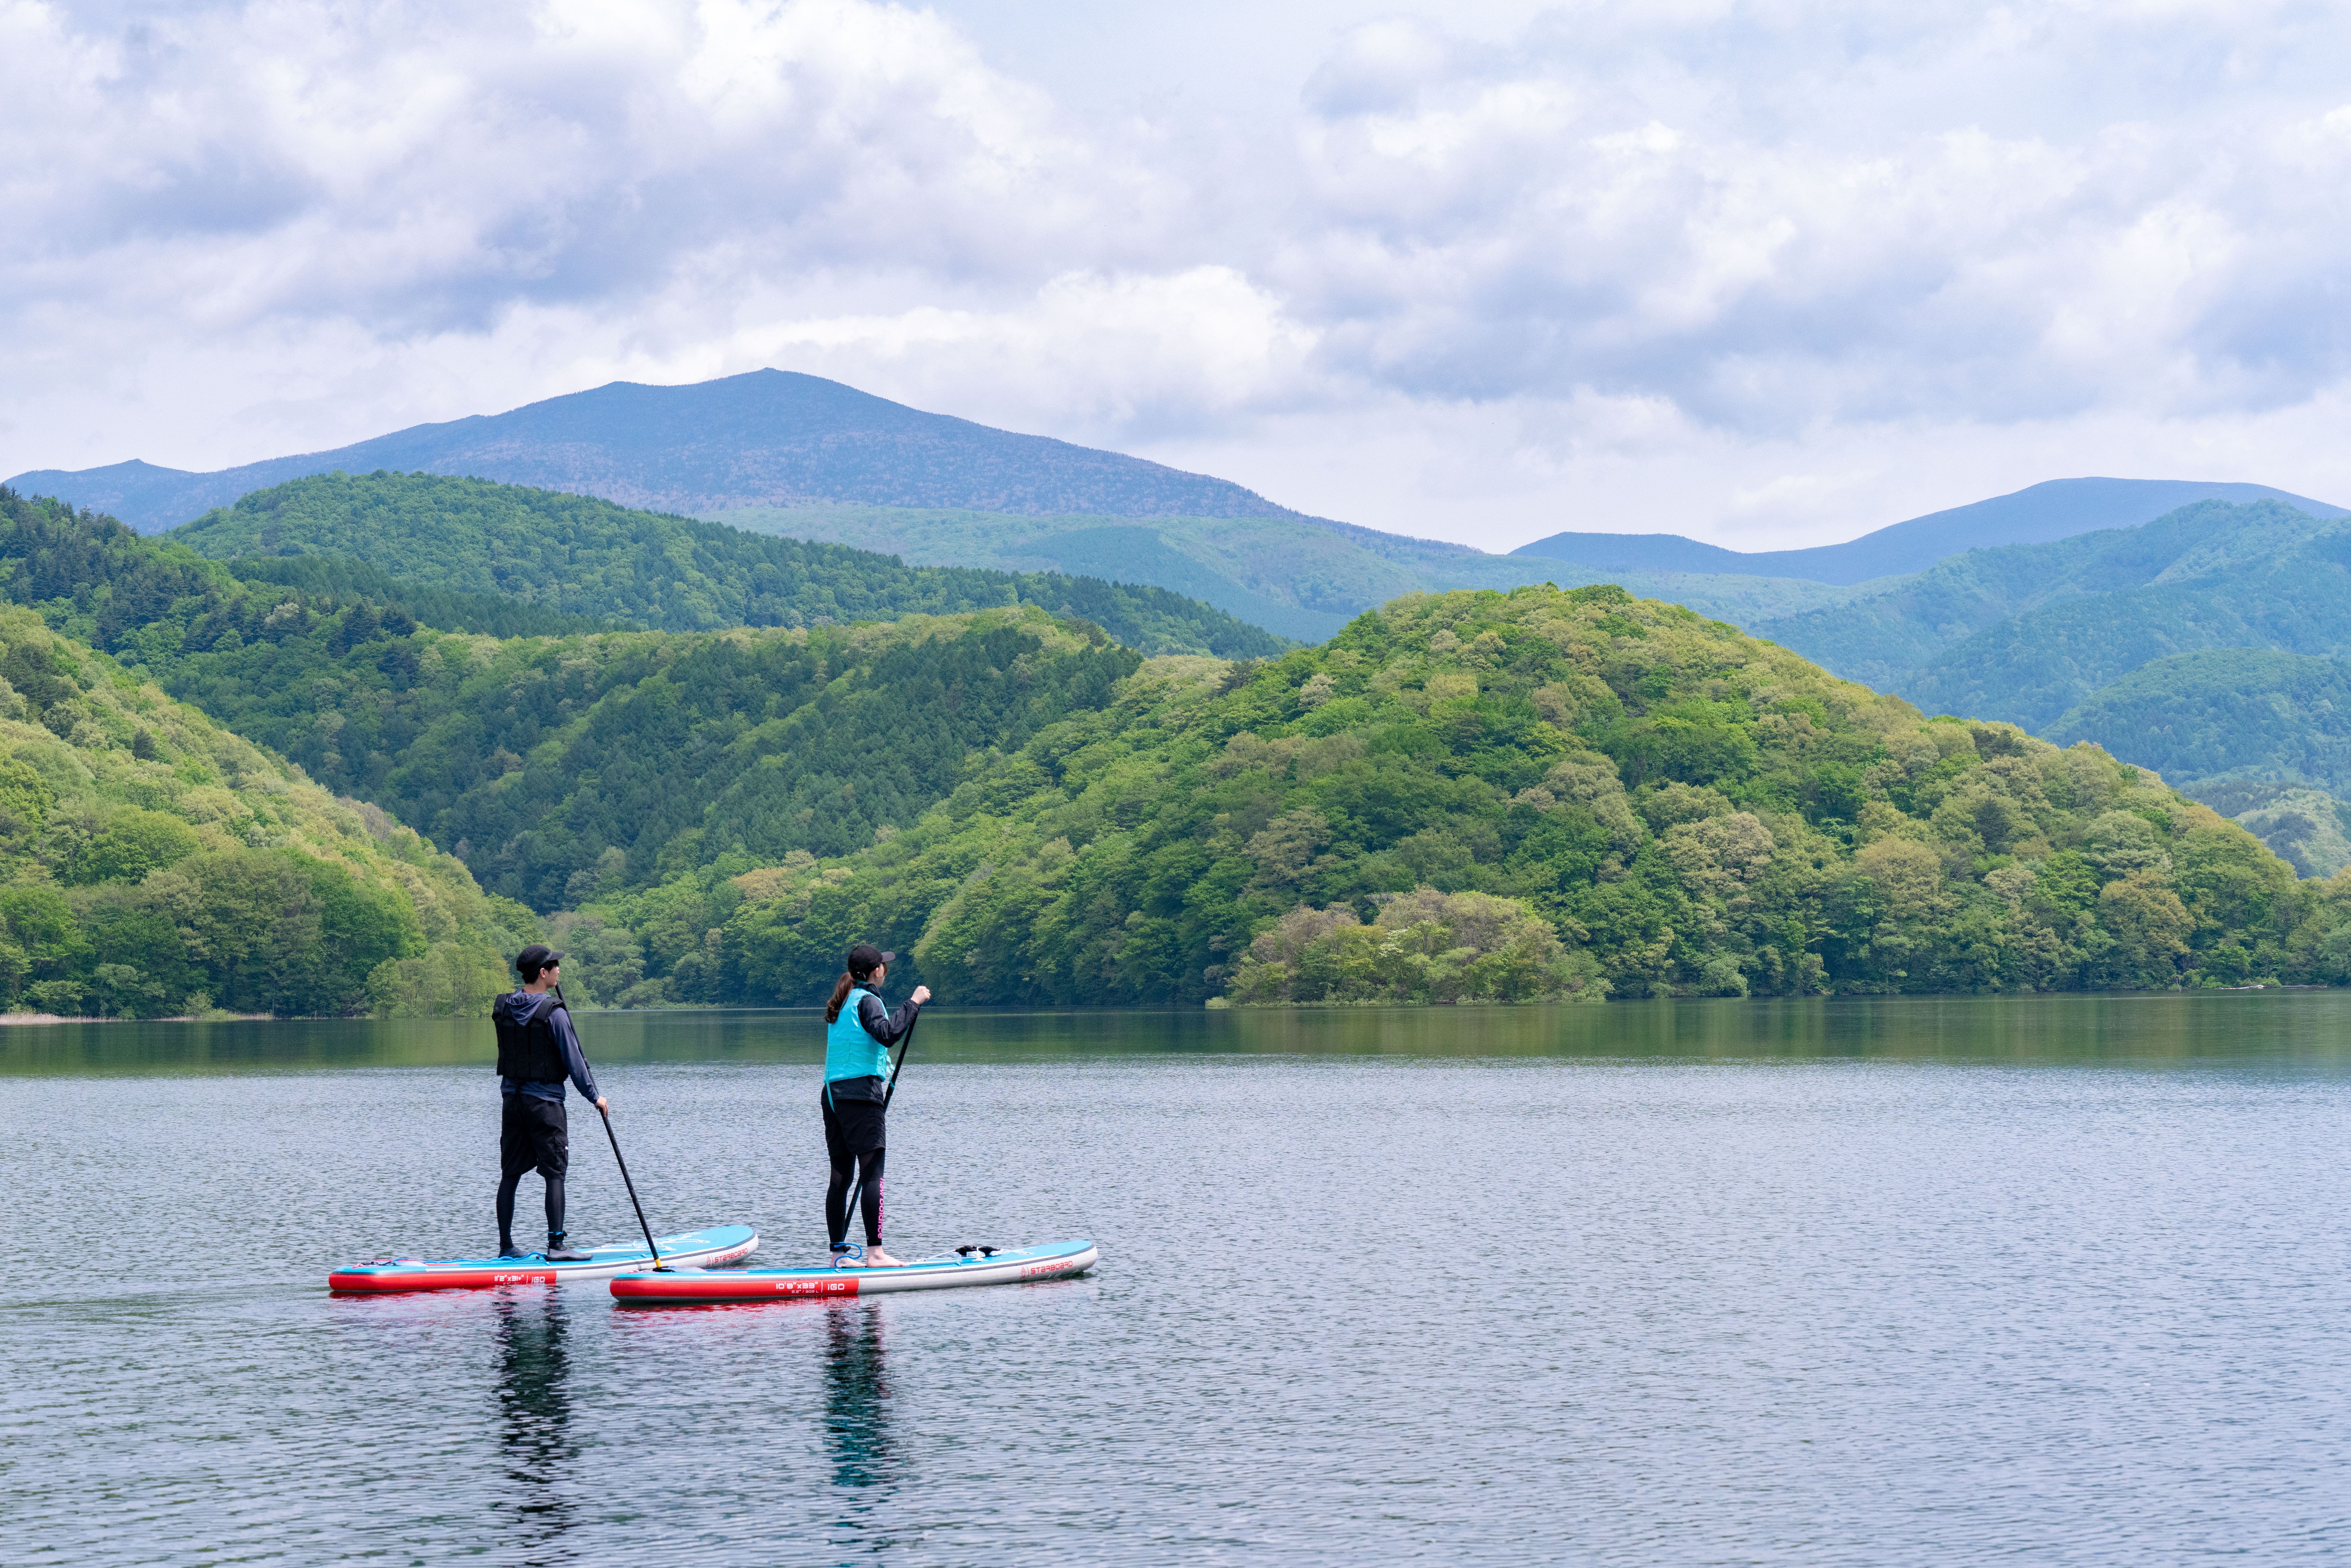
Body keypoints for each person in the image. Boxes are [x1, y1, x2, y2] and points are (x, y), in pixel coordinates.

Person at [492, 945, 608, 1261]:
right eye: (555, 965)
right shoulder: (554, 1013)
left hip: (512, 1101)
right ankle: (557, 1246)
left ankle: (506, 1246)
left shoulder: (504, 1006)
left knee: (510, 1173)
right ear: (543, 973)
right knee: (555, 1172)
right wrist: (594, 1096)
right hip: (545, 1104)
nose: (559, 970)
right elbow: (574, 1060)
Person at [822, 943, 930, 1268]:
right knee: (872, 1175)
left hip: (833, 1095)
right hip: (859, 1095)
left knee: (841, 1176)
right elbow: (887, 1034)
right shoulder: (868, 1000)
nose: (886, 969)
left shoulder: (843, 1001)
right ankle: (876, 1254)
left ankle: (838, 1255)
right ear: (876, 971)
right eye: (884, 965)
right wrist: (913, 1003)